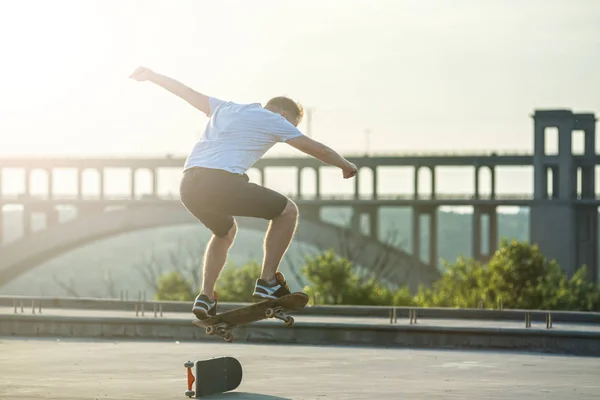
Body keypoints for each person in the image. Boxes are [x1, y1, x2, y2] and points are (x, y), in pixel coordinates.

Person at [129, 66, 357, 319]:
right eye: (291, 124)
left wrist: (152, 75)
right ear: (284, 114)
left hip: (189, 186)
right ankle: (268, 281)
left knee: (225, 232)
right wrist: (345, 165)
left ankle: (205, 297)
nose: (288, 129)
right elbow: (317, 149)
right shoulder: (275, 119)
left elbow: (185, 92)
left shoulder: (225, 107)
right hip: (220, 182)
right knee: (287, 212)